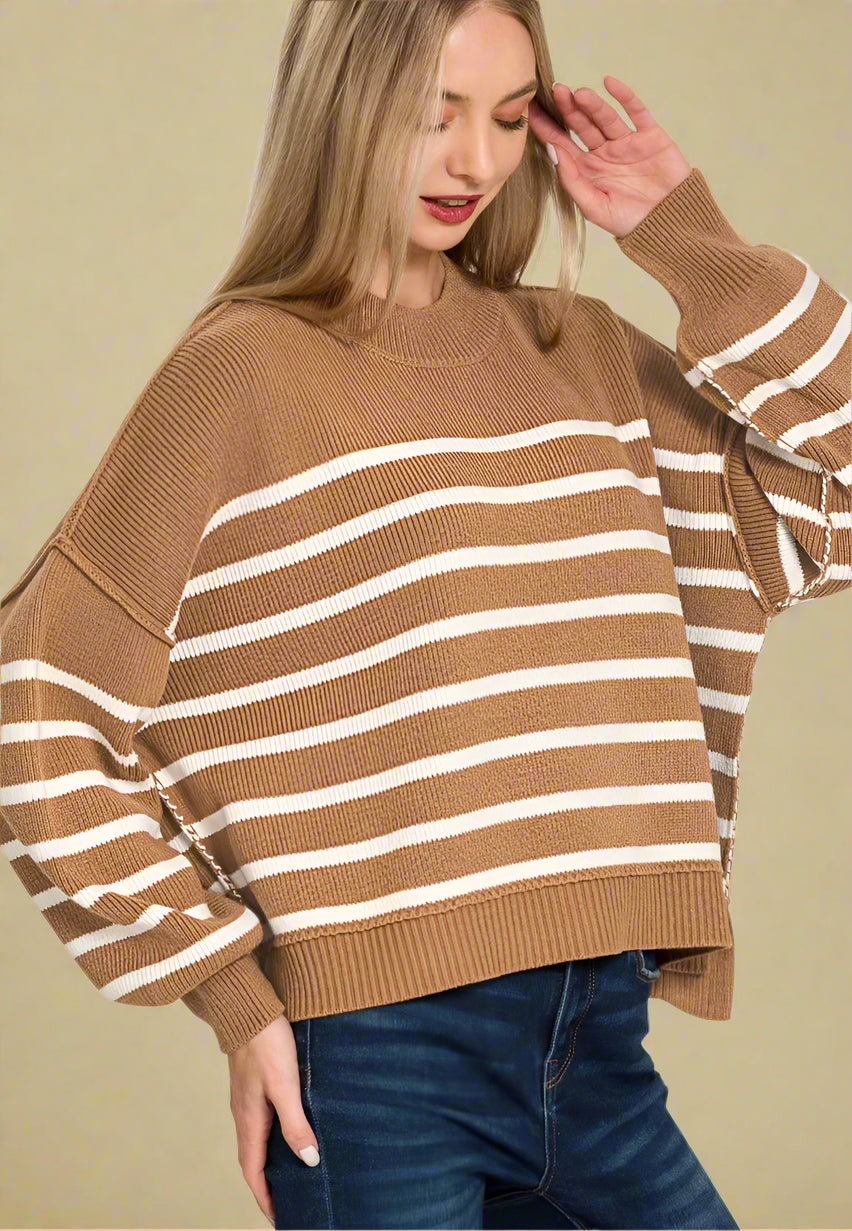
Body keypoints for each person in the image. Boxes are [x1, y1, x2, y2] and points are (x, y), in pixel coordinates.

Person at [1, 1, 849, 1228]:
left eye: (508, 118)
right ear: (342, 111)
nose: (475, 163)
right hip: (375, 1057)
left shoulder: (586, 354)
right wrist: (232, 995)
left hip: (593, 1034)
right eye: (431, 115)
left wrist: (686, 238)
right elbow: (39, 701)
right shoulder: (240, 373)